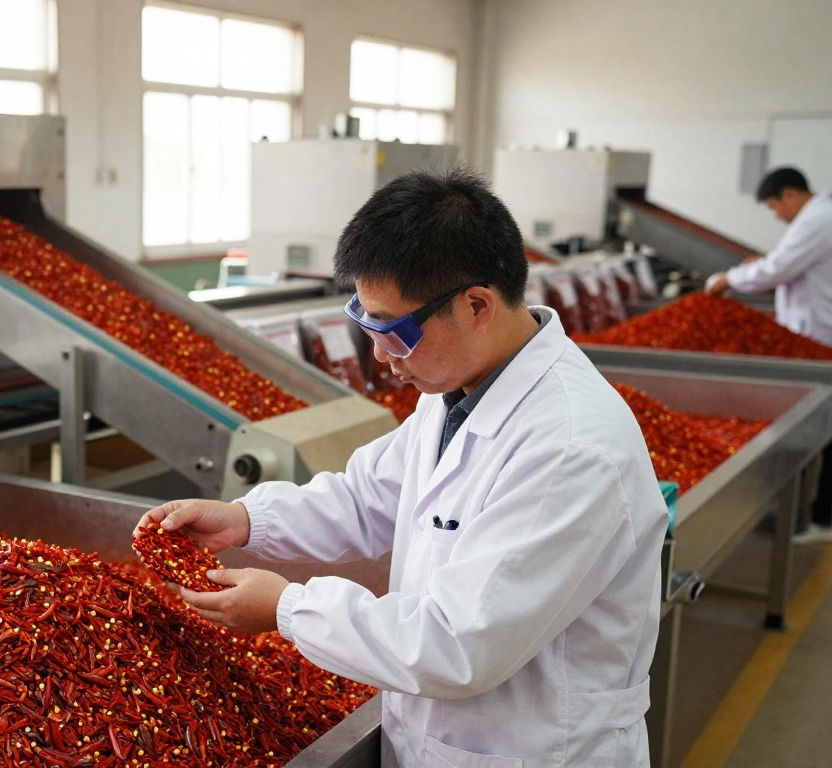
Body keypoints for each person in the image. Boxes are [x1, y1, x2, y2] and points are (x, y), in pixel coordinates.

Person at [136, 168, 669, 767]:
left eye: (396, 331)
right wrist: (243, 520)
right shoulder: (455, 393)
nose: (381, 356)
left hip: (538, 750)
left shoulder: (569, 447)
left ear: (476, 306)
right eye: (366, 324)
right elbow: (365, 498)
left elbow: (460, 644)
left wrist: (287, 609)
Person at [706, 167, 832, 544]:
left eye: (774, 206)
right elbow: (784, 263)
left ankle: (819, 517)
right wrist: (757, 267)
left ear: (791, 195)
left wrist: (729, 279)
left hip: (823, 340)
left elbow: (779, 269)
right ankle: (805, 513)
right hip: (815, 338)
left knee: (824, 433)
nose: (776, 214)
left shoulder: (820, 220)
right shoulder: (820, 218)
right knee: (823, 431)